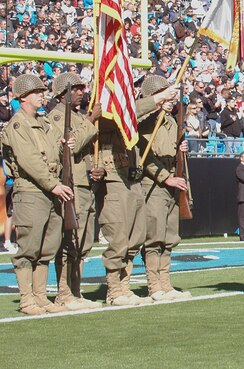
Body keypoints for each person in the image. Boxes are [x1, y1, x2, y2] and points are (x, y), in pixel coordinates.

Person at [97, 83, 176, 306]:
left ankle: (124, 286)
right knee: (119, 237)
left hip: (132, 179)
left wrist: (160, 108)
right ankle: (114, 290)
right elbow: (126, 117)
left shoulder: (137, 118)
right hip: (116, 179)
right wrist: (157, 100)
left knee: (135, 237)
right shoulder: (109, 113)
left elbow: (138, 125)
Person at [1, 75, 74, 314]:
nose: (42, 95)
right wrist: (53, 184)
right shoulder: (18, 125)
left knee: (46, 248)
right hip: (32, 191)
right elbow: (30, 160)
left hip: (50, 191)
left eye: (43, 91)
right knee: (29, 248)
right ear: (23, 97)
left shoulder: (43, 123)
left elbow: (55, 150)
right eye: (37, 92)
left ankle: (40, 296)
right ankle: (26, 300)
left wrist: (66, 143)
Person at [48, 72, 103, 311]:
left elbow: (85, 151)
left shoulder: (78, 115)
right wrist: (91, 120)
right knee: (70, 242)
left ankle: (76, 291)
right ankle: (64, 292)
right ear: (63, 93)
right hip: (71, 184)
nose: (82, 91)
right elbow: (72, 145)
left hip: (85, 182)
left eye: (82, 87)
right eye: (77, 88)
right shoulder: (57, 116)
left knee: (83, 242)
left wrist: (96, 168)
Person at [137, 75, 192, 301]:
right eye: (165, 94)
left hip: (173, 181)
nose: (170, 99)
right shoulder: (146, 122)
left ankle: (166, 283)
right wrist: (164, 177)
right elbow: (144, 154)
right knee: (154, 236)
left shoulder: (172, 122)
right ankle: (154, 285)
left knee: (170, 236)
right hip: (154, 183)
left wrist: (183, 149)